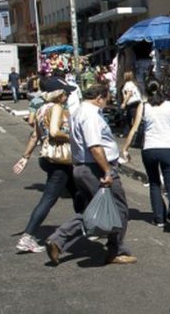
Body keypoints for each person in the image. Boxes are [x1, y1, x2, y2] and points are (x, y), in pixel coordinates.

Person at [45, 84, 136, 265]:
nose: (106, 103)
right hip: (95, 168)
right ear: (99, 98)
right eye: (106, 99)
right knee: (119, 209)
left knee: (93, 210)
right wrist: (107, 171)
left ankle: (58, 240)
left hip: (82, 167)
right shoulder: (90, 115)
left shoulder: (78, 112)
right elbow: (94, 146)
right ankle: (115, 250)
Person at [13, 79, 83, 253]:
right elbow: (54, 132)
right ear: (58, 94)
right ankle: (28, 236)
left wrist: (25, 156)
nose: (68, 96)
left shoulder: (41, 109)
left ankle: (86, 224)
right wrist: (73, 137)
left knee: (77, 192)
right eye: (65, 93)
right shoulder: (57, 108)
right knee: (49, 198)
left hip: (49, 158)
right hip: (60, 159)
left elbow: (34, 136)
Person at [122, 81, 170, 231]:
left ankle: (159, 218)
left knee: (154, 183)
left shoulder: (143, 106)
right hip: (168, 148)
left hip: (149, 149)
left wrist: (125, 149)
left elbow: (134, 129)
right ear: (162, 89)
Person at [120, 71, 141, 137]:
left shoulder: (128, 84)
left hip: (132, 103)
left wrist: (124, 103)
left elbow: (129, 94)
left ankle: (134, 133)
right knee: (129, 118)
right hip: (135, 102)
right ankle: (128, 132)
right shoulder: (132, 84)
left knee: (132, 118)